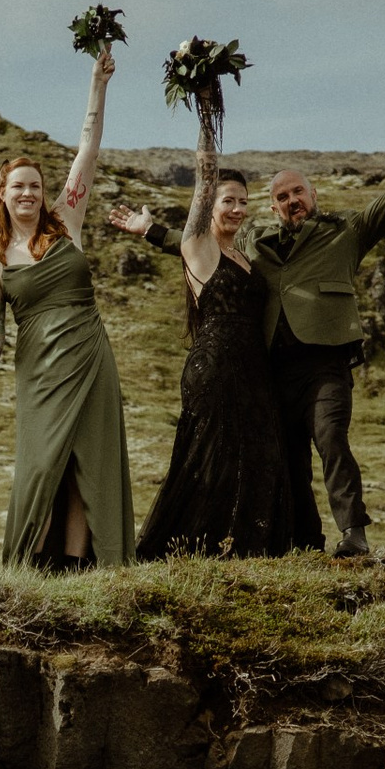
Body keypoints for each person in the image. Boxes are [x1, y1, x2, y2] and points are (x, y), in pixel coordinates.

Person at [254, 130, 385, 559]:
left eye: (298, 192)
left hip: (325, 366)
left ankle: (354, 534)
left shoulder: (345, 230)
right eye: (282, 196)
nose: (292, 200)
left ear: (313, 194)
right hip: (274, 370)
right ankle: (304, 542)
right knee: (290, 459)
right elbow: (204, 248)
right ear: (274, 208)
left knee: (331, 438)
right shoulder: (255, 244)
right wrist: (153, 232)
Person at [0, 42, 135, 573]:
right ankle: (29, 565)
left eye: (35, 186)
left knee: (91, 461)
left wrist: (97, 85)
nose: (27, 193)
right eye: (17, 186)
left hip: (90, 356)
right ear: (2, 194)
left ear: (46, 193)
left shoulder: (66, 222)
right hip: (39, 369)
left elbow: (89, 148)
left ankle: (78, 565)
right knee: (42, 466)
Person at [118, 108, 295, 562]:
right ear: (209, 207)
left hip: (254, 370)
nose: (236, 209)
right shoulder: (198, 245)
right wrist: (206, 109)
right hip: (215, 367)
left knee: (258, 456)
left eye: (243, 202)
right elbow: (203, 177)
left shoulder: (245, 256)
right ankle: (187, 552)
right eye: (227, 201)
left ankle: (247, 552)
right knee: (210, 457)